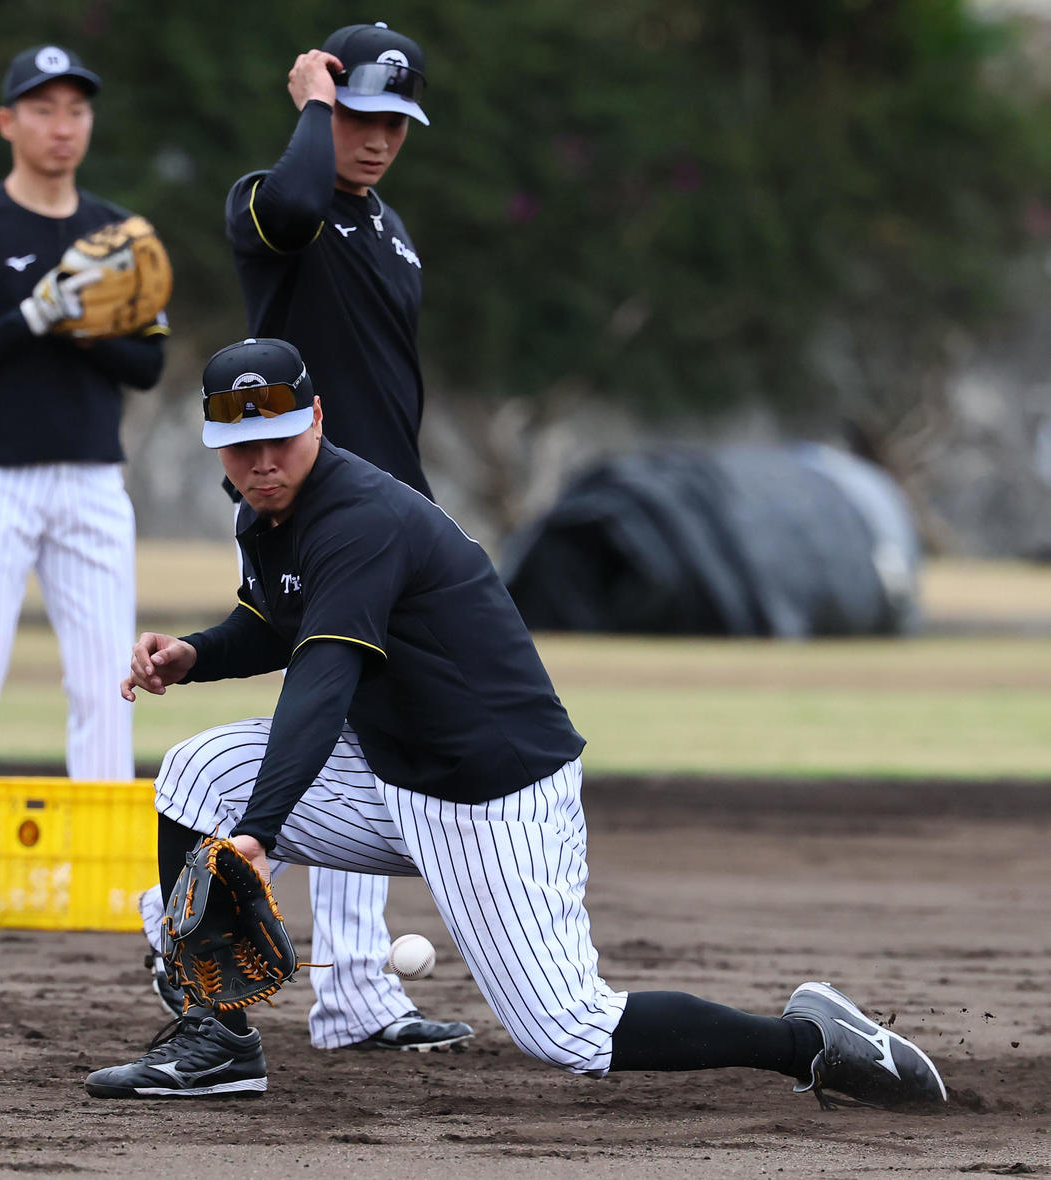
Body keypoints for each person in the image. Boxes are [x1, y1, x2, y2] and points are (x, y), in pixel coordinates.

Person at [86, 337, 949, 1108]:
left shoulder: (359, 518)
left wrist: (260, 835)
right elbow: (279, 619)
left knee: (571, 1029)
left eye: (278, 434)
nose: (262, 458)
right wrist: (197, 654)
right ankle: (217, 1046)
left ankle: (812, 1042)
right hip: (394, 773)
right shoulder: (267, 515)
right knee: (198, 771)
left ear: (316, 416)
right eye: (241, 444)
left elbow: (323, 673)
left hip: (489, 791)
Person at [135, 21, 470, 1053]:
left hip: (393, 517)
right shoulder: (277, 206)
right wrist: (313, 106)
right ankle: (201, 972)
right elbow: (289, 197)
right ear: (323, 104)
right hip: (315, 506)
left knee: (370, 732)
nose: (373, 140)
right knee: (332, 717)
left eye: (392, 123)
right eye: (359, 115)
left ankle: (355, 998)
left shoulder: (389, 227)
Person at [0, 44, 168, 921]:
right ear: (7, 122)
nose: (63, 125)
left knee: (106, 678)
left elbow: (147, 366)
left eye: (77, 109)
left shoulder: (118, 233)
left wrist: (82, 322)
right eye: (43, 108)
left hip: (92, 478)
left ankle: (105, 867)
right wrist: (34, 314)